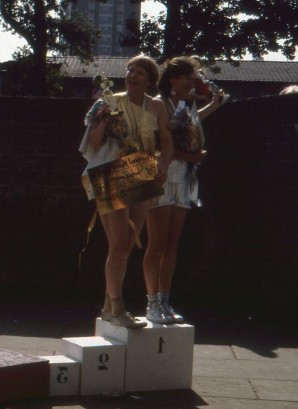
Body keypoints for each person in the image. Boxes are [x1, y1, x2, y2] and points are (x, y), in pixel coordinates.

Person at [79, 56, 173, 328]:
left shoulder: (157, 106)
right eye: (130, 69)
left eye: (140, 72)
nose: (132, 74)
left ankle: (110, 307)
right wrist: (103, 122)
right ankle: (117, 308)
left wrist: (163, 167)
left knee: (129, 244)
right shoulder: (109, 101)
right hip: (111, 171)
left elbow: (166, 144)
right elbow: (92, 144)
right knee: (118, 244)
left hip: (142, 170)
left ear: (150, 80)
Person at [142, 56, 226, 324]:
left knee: (171, 244)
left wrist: (214, 103)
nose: (192, 82)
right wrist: (188, 156)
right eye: (187, 78)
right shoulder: (158, 104)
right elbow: (155, 145)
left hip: (185, 180)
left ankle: (165, 301)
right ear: (173, 80)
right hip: (162, 177)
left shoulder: (183, 105)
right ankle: (151, 302)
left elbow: (190, 123)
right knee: (156, 243)